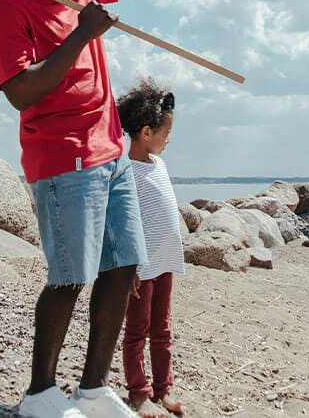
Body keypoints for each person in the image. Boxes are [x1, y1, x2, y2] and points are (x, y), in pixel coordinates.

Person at [0, 0, 245, 418]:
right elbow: (20, 91)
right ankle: (40, 396)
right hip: (63, 162)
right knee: (69, 277)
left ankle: (95, 389)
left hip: (111, 158)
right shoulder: (8, 5)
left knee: (125, 266)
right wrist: (81, 35)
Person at [116, 80, 185, 418]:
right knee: (137, 331)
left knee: (163, 330)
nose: (168, 138)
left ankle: (164, 389)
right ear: (145, 132)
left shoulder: (159, 165)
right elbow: (121, 224)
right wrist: (127, 267)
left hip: (165, 262)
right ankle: (139, 393)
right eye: (165, 132)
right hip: (141, 268)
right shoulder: (126, 171)